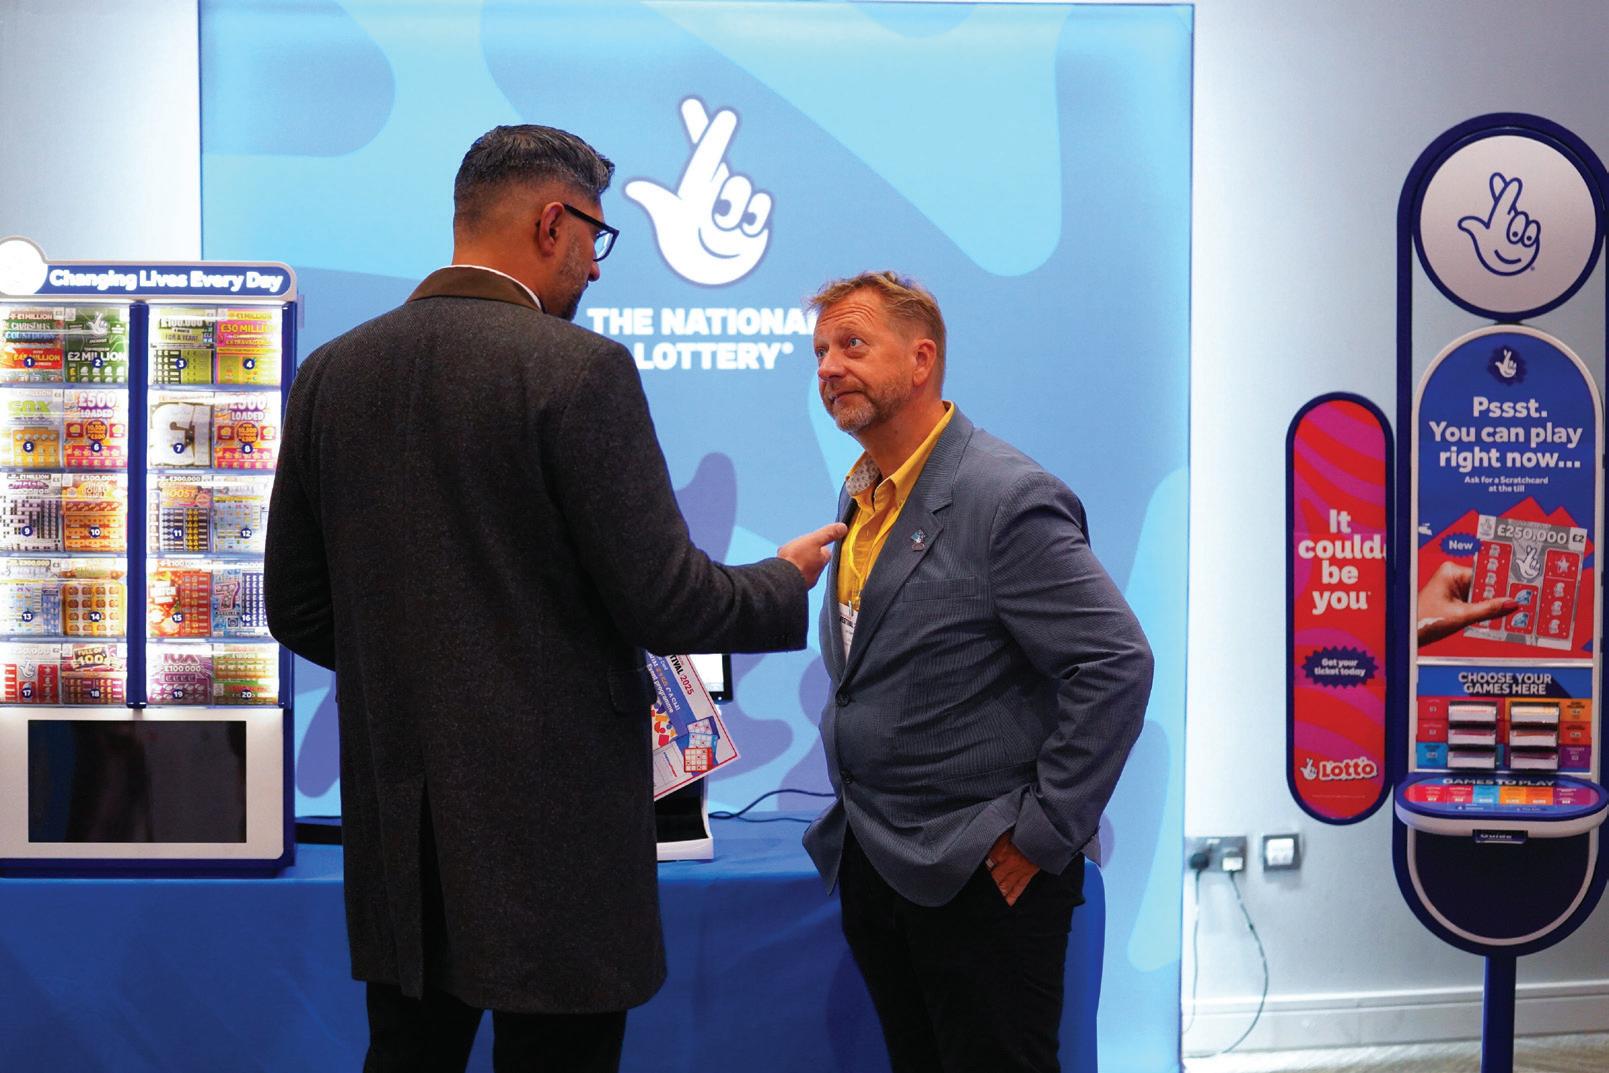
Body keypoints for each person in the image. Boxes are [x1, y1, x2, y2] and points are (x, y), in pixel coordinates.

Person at [264, 124, 844, 1073]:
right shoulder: (577, 369)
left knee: (409, 1056)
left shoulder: (333, 372)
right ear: (550, 223)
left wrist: (417, 677)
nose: (597, 266)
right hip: (556, 832)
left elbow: (295, 605)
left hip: (402, 828)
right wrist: (783, 579)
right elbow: (666, 599)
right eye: (595, 237)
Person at [800, 271, 1154, 1073]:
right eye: (819, 351)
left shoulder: (1005, 496)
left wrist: (1044, 830)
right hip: (879, 862)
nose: (827, 366)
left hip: (983, 877)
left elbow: (1115, 661)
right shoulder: (863, 493)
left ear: (920, 359)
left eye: (851, 344)